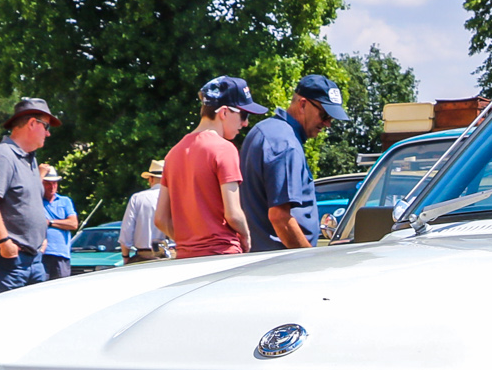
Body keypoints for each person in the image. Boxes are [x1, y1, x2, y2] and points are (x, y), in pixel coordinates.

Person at [240, 74, 350, 250]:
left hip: (260, 256)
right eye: (324, 115)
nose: (327, 124)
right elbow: (280, 217)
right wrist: (308, 258)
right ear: (303, 104)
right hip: (281, 260)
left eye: (331, 118)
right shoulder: (286, 145)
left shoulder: (264, 130)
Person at [157, 77, 263, 258]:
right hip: (223, 255)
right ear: (224, 112)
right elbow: (233, 214)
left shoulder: (173, 154)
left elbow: (160, 219)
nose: (245, 123)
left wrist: (190, 243)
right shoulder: (224, 149)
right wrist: (246, 236)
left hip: (185, 258)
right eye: (244, 115)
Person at [0, 97, 59, 296]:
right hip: (7, 261)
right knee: (3, 316)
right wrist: (4, 241)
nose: (48, 133)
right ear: (32, 123)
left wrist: (40, 240)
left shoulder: (30, 159)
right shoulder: (2, 155)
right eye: (46, 126)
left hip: (32, 259)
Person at [119, 159, 168, 262]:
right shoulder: (177, 197)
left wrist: (126, 257)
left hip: (144, 256)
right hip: (173, 255)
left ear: (151, 179)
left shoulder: (137, 198)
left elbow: (126, 232)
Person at [39, 164, 78, 279]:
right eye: (48, 183)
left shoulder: (65, 201)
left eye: (54, 183)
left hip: (61, 254)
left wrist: (50, 222)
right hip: (41, 253)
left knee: (61, 286)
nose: (52, 187)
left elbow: (73, 224)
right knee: (40, 285)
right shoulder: (36, 201)